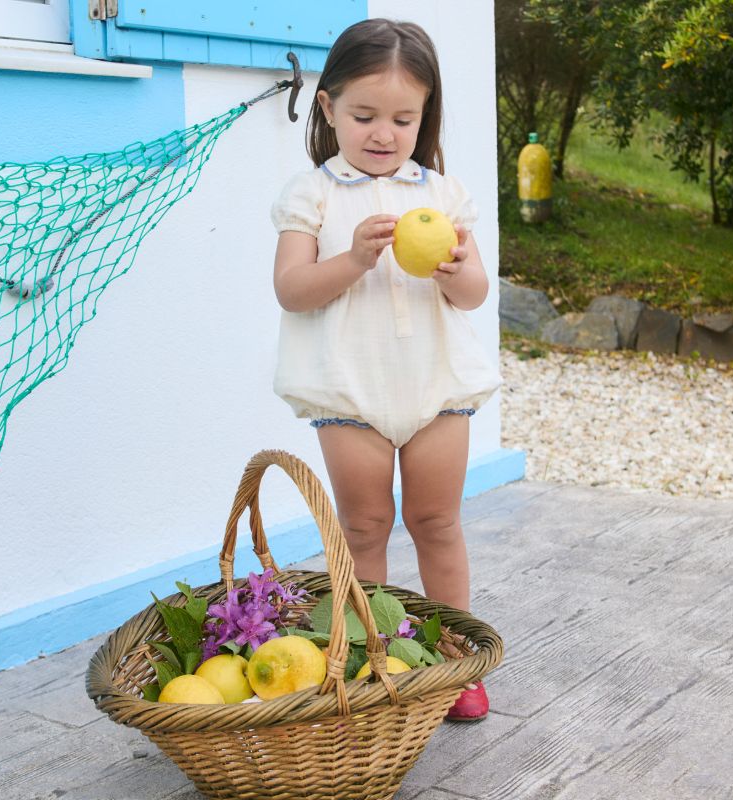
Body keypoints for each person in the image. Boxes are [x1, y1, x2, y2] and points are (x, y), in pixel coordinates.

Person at [271, 18, 500, 721]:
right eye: (364, 114)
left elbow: (474, 295)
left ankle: (457, 661)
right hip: (349, 392)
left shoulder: (443, 193)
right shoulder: (313, 194)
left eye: (404, 118)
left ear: (424, 115)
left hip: (435, 389)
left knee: (437, 522)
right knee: (365, 529)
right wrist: (355, 260)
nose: (384, 133)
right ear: (327, 106)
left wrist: (458, 268)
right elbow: (292, 289)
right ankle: (374, 660)